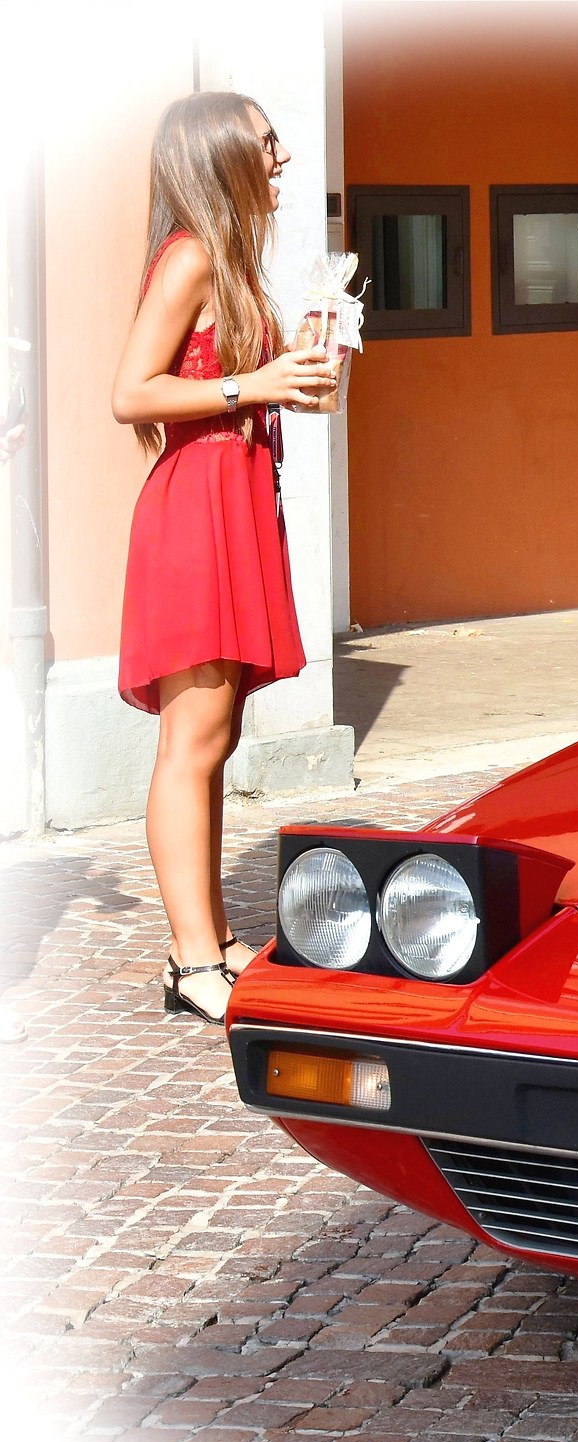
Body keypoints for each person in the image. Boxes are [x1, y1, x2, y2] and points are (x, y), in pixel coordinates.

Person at [110, 92, 338, 1025]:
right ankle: (193, 960)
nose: (281, 155)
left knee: (217, 740)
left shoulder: (228, 259)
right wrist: (256, 381)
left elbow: (233, 387)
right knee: (191, 744)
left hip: (232, 500)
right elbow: (131, 391)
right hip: (196, 513)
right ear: (220, 158)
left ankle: (205, 943)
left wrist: (292, 381)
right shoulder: (193, 255)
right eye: (266, 141)